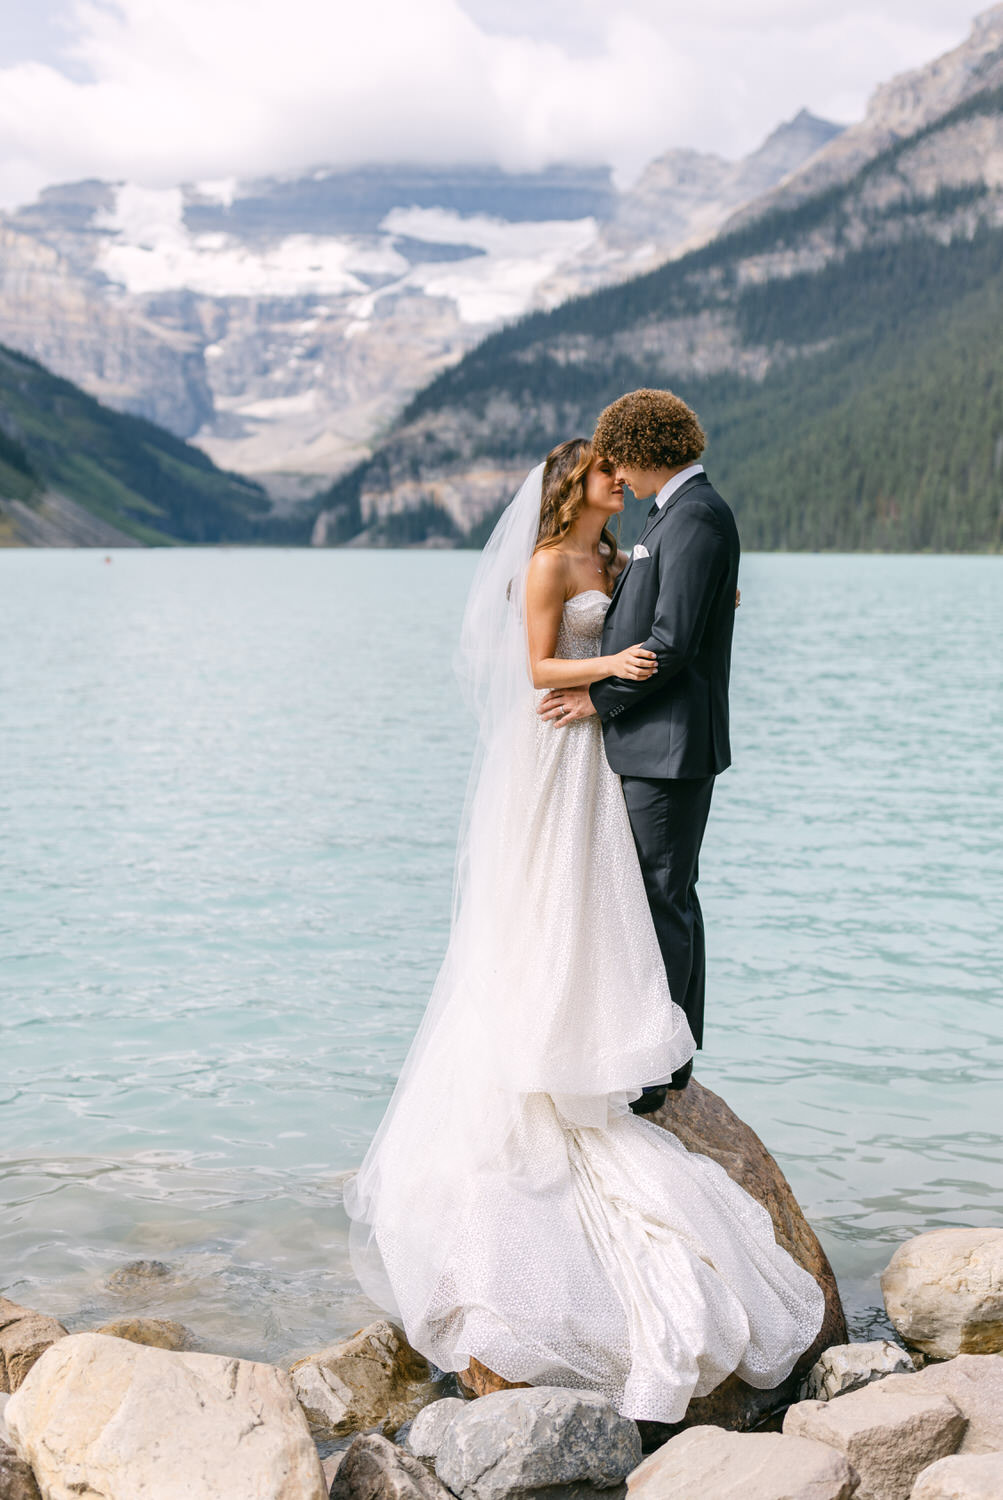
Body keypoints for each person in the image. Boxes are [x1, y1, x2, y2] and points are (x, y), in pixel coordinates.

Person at [344, 437, 824, 1424]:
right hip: (555, 739)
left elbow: (670, 616)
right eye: (606, 471)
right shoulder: (552, 562)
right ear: (574, 487)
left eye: (624, 468)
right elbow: (535, 662)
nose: (622, 479)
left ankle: (606, 1031)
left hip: (596, 744)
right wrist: (610, 665)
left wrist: (692, 616)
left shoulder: (625, 553)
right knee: (544, 892)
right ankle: (546, 1029)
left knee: (610, 894)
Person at [539, 390, 739, 1109]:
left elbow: (673, 643)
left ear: (643, 447)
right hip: (654, 742)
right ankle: (670, 1049)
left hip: (668, 744)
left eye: (620, 455)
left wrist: (595, 700)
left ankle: (658, 1071)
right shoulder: (672, 516)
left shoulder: (695, 516)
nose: (617, 472)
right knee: (666, 895)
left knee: (660, 897)